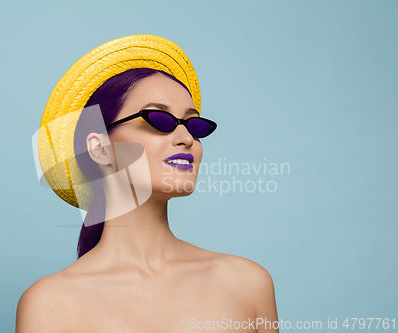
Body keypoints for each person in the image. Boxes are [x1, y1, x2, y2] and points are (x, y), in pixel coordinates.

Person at [16, 35, 279, 332]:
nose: (187, 138)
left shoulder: (248, 283)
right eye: (159, 119)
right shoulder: (50, 303)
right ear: (99, 148)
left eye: (193, 124)